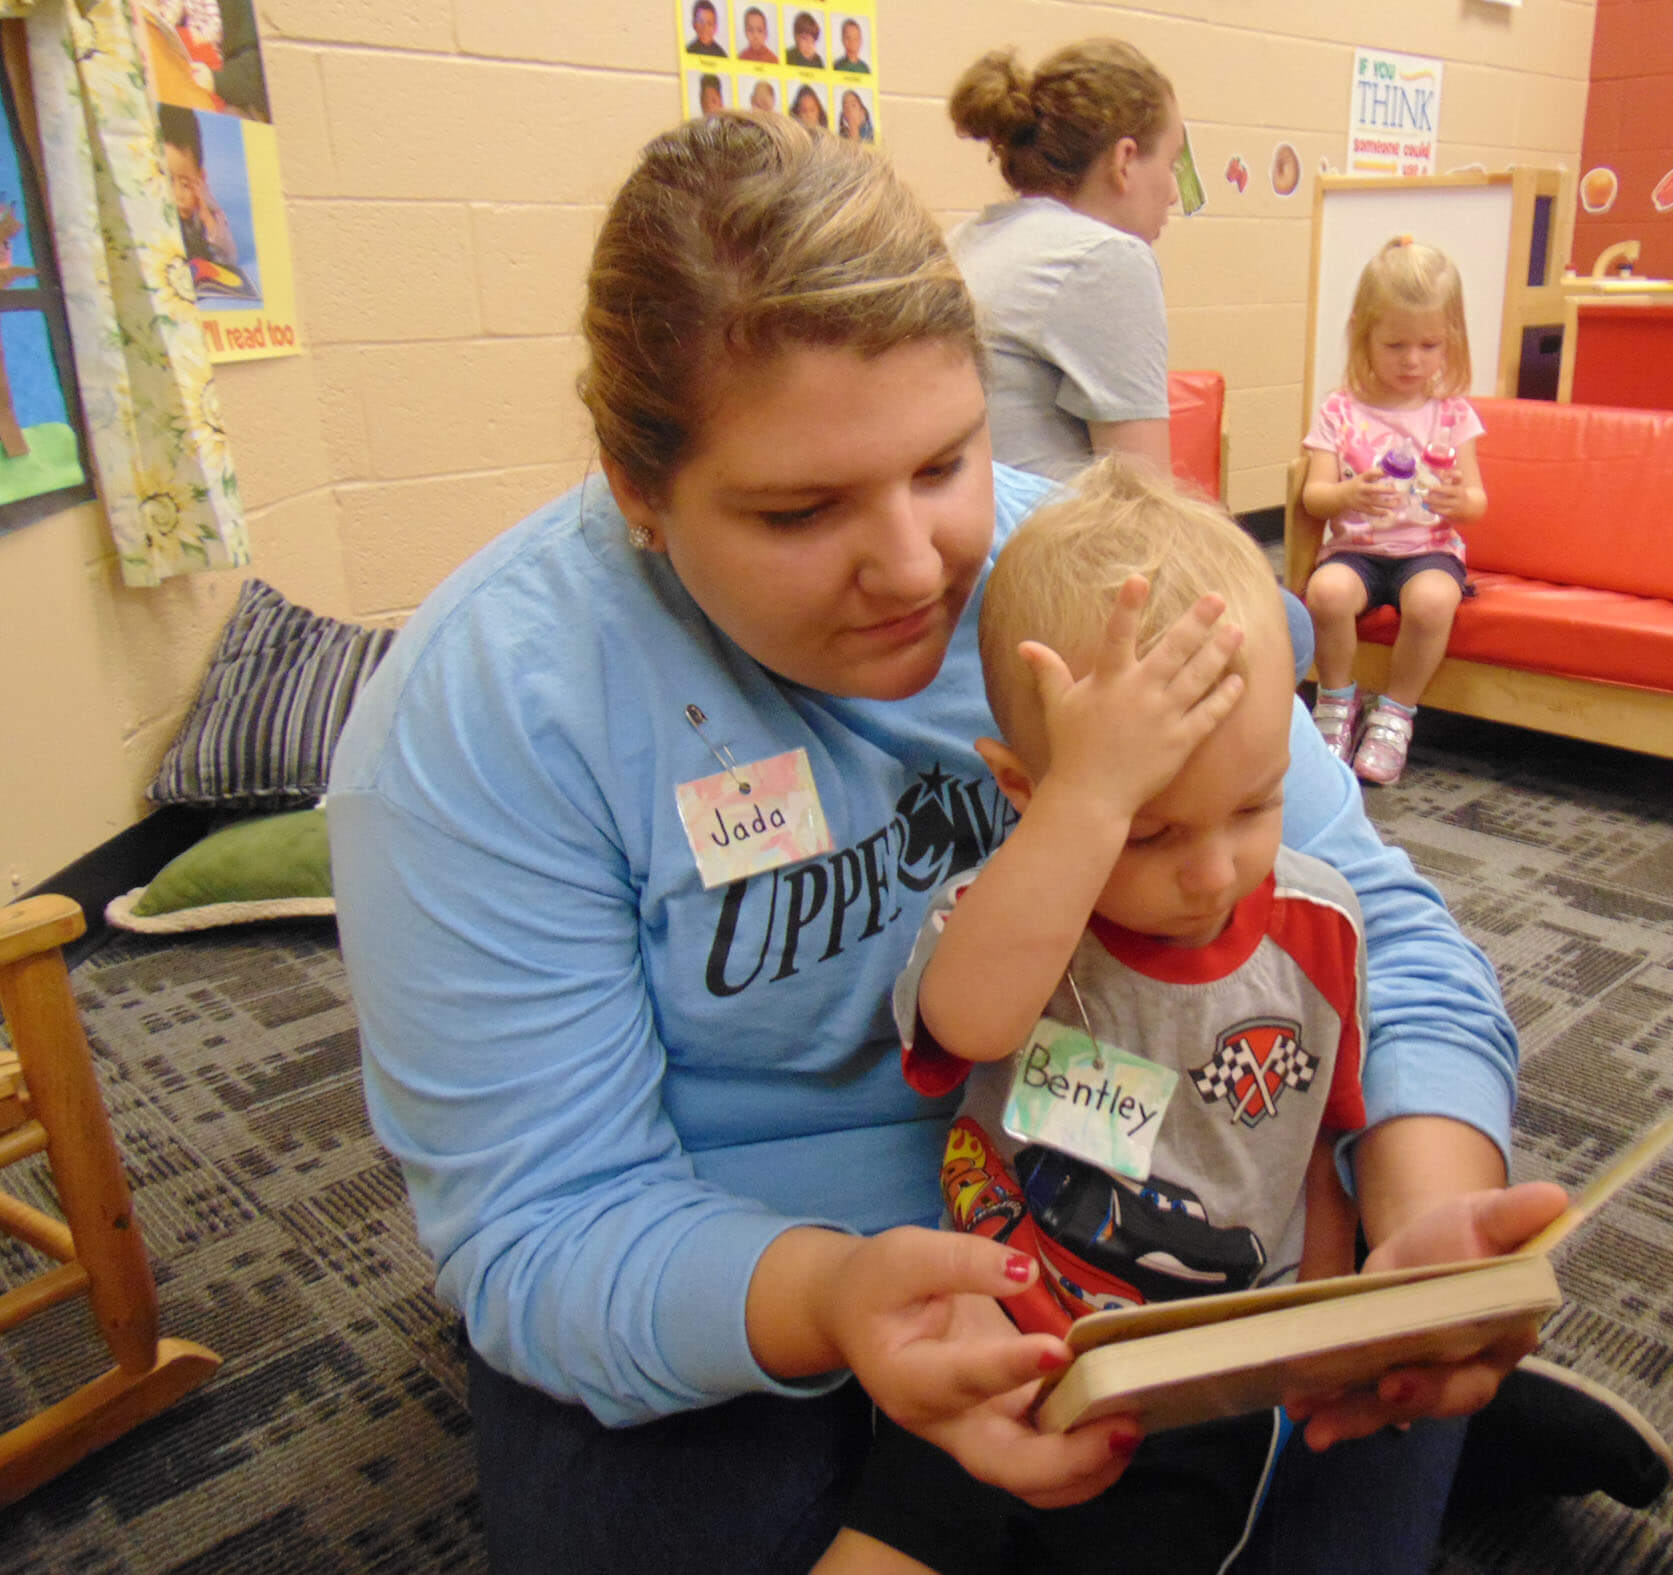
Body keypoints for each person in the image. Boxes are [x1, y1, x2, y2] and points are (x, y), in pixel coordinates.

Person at [330, 113, 1560, 1575]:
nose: (914, 570)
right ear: (635, 482)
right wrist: (835, 1298)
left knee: (1322, 1463)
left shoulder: (1094, 587)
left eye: (946, 461)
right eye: (800, 509)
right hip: (750, 1257)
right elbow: (540, 1218)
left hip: (1168, 1210)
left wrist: (1417, 1226)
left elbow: (1380, 929)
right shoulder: (487, 709)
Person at [815, 459, 1382, 1574]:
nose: (1212, 872)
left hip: (1197, 1363)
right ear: (1027, 793)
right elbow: (971, 1022)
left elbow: (1316, 1137)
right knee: (901, 1530)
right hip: (1000, 1324)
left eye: (1255, 804)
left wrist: (1322, 1312)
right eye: (1151, 832)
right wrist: (1086, 810)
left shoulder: (1319, 928)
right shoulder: (1013, 917)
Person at [945, 41, 1182, 480]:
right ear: (1125, 160)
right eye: (1171, 164)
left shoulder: (965, 238)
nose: (1172, 193)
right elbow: (1143, 503)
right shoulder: (1108, 259)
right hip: (1035, 544)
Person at [1300, 240, 1488, 785]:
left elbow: (1476, 501)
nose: (1413, 360)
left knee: (1432, 602)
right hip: (1356, 549)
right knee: (1326, 593)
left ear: (1451, 339)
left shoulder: (1452, 415)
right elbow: (1316, 496)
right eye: (1396, 344)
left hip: (1428, 550)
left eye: (1429, 345)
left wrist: (1461, 502)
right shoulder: (1339, 410)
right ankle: (1336, 702)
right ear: (1363, 333)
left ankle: (1397, 712)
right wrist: (1347, 494)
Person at [157, 104, 240, 270]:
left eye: (186, 185)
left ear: (201, 179)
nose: (177, 195)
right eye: (169, 181)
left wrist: (209, 220)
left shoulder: (208, 214)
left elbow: (230, 260)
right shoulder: (158, 208)